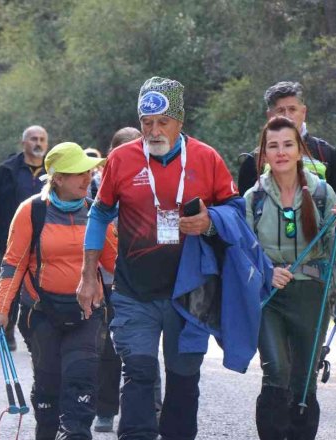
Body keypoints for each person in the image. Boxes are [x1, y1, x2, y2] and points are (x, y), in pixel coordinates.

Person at [78, 77, 240, 439]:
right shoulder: (121, 159)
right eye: (146, 123)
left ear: (180, 122)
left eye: (162, 121)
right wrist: (88, 274)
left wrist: (210, 220)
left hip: (189, 292)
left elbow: (235, 209)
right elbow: (100, 214)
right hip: (134, 292)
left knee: (184, 380)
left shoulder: (206, 158)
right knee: (138, 373)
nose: (154, 130)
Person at [0, 142, 117, 439]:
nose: (87, 178)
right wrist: (1, 310)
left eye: (89, 171)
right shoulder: (31, 211)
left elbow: (116, 261)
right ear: (57, 178)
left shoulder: (96, 213)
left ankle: (75, 433)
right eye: (78, 173)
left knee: (81, 378)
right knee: (48, 387)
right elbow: (13, 265)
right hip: (42, 313)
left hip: (88, 312)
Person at [245, 116, 336, 440]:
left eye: (287, 145)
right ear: (264, 154)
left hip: (311, 295)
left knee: (304, 379)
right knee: (275, 371)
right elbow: (244, 251)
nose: (281, 152)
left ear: (299, 150)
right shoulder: (255, 197)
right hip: (270, 298)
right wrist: (267, 271)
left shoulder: (322, 192)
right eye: (273, 146)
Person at [237, 81, 336, 293]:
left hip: (314, 276)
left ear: (304, 112)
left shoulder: (328, 154)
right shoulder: (253, 162)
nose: (287, 116)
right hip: (267, 281)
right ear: (270, 115)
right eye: (280, 110)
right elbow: (243, 230)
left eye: (292, 109)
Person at [90, 127, 142, 433]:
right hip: (106, 280)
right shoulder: (94, 187)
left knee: (142, 348)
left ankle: (151, 405)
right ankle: (106, 409)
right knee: (108, 348)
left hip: (143, 279)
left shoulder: (151, 186)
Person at [0, 125, 49, 350]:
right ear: (24, 143)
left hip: (45, 239)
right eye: (33, 139)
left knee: (39, 285)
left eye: (42, 139)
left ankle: (37, 331)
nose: (38, 143)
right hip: (10, 238)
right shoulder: (7, 170)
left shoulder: (53, 169)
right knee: (9, 282)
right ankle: (8, 327)